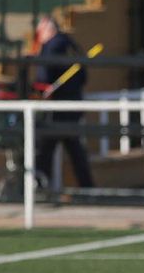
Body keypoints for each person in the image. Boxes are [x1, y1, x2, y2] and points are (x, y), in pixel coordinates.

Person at [30, 14, 95, 191]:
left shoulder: (51, 47)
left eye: (39, 30)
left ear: (47, 29)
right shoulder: (71, 45)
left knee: (44, 151)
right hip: (73, 108)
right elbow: (83, 77)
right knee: (75, 151)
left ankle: (41, 189)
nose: (38, 34)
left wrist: (40, 89)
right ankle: (88, 189)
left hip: (56, 110)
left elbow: (43, 77)